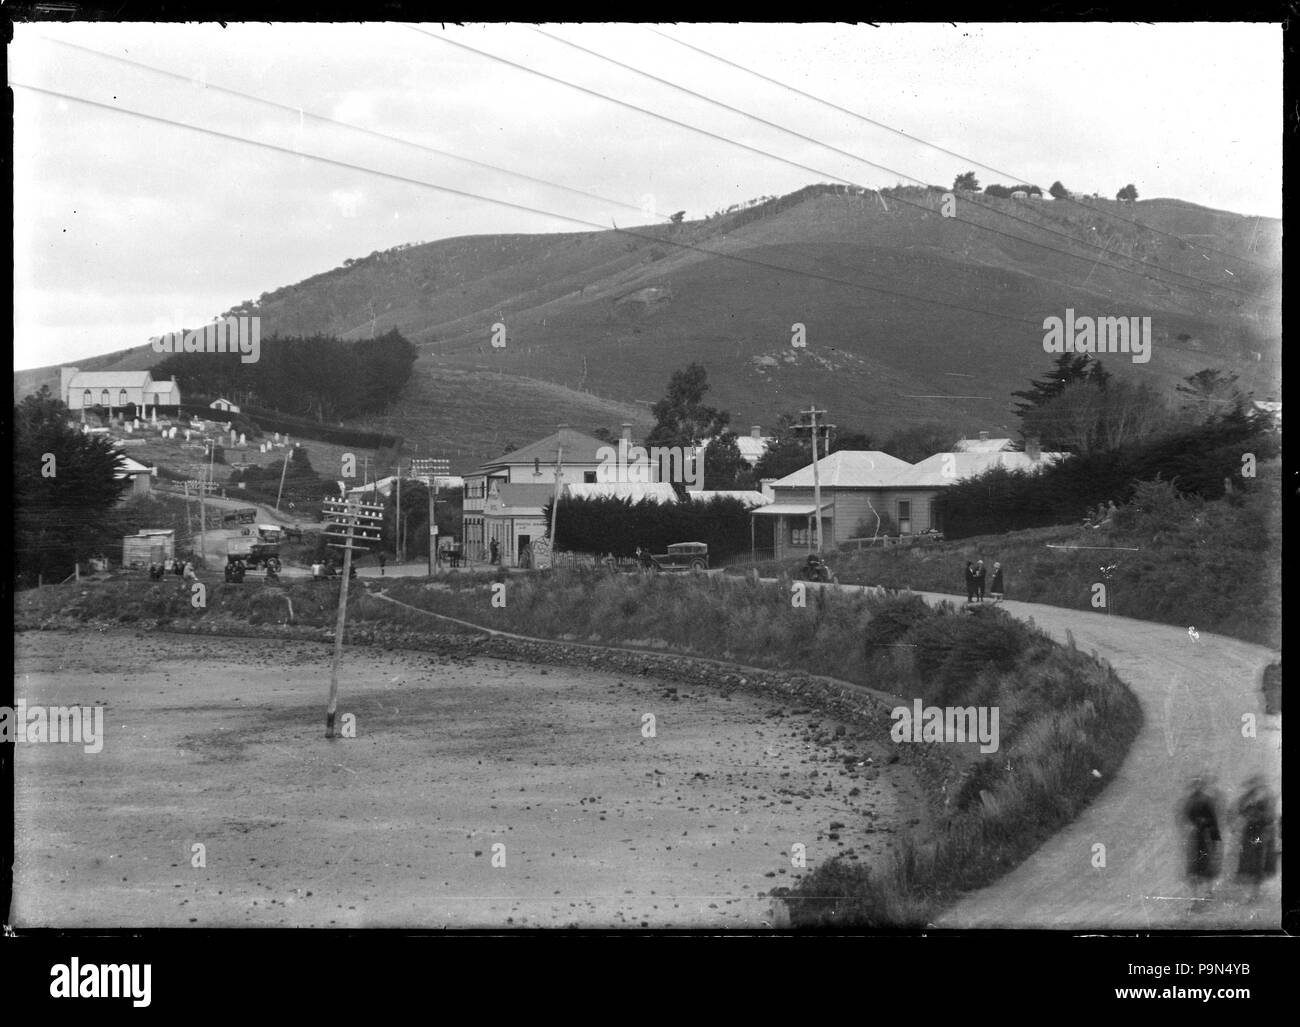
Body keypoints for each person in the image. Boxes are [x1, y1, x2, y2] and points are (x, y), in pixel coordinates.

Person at [1181, 776, 1223, 907]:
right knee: (1193, 867)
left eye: (1199, 785)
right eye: (1194, 785)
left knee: (1206, 864)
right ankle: (1195, 898)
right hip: (1194, 837)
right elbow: (1185, 817)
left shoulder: (1207, 800)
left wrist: (1215, 837)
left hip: (1206, 836)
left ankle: (1208, 892)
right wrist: (1189, 827)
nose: (1196, 787)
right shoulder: (1189, 801)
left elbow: (1214, 820)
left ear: (1202, 786)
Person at [1235, 776, 1278, 900]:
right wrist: (1248, 813)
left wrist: (1258, 815)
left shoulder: (1268, 797)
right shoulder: (1247, 797)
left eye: (1257, 784)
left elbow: (1270, 816)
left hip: (1262, 832)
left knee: (1259, 859)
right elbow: (1240, 809)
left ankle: (1256, 893)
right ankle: (1251, 892)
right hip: (1250, 831)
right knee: (1248, 858)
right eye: (1252, 784)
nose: (1254, 787)